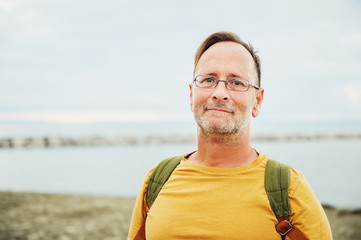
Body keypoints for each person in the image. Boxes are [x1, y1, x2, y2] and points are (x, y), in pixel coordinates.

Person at [128, 31, 332, 240]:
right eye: (208, 79)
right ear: (191, 95)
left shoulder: (288, 189)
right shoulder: (156, 181)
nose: (220, 92)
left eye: (236, 82)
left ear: (257, 101)